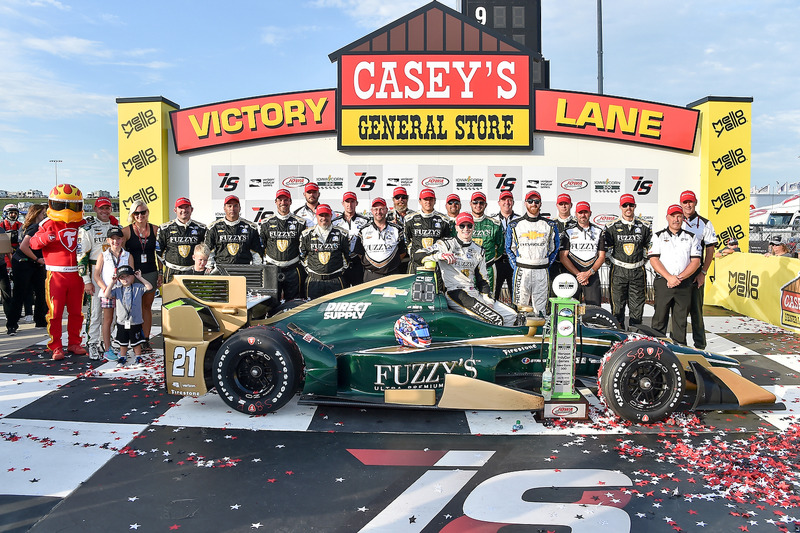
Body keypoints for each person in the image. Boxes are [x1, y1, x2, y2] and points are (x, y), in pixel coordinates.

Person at [414, 212, 519, 326]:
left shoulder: (479, 250)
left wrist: (487, 299)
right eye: (462, 226)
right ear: (456, 228)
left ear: (473, 227)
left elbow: (483, 280)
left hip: (473, 292)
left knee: (512, 315)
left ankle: (506, 341)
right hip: (455, 292)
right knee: (494, 318)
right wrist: (439, 256)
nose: (466, 229)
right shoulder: (446, 245)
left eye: (469, 225)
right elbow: (418, 255)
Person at [29, 185, 88, 360]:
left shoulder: (84, 223)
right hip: (56, 275)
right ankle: (56, 345)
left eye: (71, 205)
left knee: (77, 312)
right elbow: (33, 243)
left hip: (77, 274)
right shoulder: (47, 223)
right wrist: (45, 238)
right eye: (62, 205)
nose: (67, 210)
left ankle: (74, 343)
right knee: (55, 313)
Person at [648, 204, 702, 346]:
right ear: (667, 217)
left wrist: (679, 278)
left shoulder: (691, 237)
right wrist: (669, 277)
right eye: (673, 216)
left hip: (684, 284)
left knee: (680, 322)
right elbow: (654, 259)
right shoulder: (658, 236)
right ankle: (655, 351)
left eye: (679, 216)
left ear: (683, 218)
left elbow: (695, 262)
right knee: (659, 320)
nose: (676, 219)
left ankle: (679, 353)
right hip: (663, 282)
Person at [77, 196, 120, 360]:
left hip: (113, 273)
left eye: (107, 208)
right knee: (95, 312)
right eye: (101, 208)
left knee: (113, 312)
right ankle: (92, 343)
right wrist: (86, 281)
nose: (104, 211)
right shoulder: (87, 229)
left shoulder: (117, 227)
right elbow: (81, 256)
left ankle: (106, 342)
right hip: (95, 271)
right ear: (95, 209)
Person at [506, 190, 559, 316]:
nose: (533, 204)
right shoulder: (514, 224)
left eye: (536, 201)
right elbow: (509, 248)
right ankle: (519, 332)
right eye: (530, 201)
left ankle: (541, 333)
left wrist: (546, 264)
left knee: (540, 310)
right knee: (520, 308)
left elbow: (555, 248)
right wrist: (517, 266)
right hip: (522, 271)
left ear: (540, 204)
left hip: (542, 270)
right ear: (525, 203)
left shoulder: (550, 225)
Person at [603, 194, 652, 328]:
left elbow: (649, 249)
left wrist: (639, 262)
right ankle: (618, 341)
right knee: (617, 309)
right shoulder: (611, 227)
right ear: (620, 207)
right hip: (618, 271)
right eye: (625, 205)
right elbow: (606, 252)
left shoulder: (645, 226)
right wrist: (616, 264)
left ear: (635, 206)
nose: (628, 208)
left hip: (638, 271)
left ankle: (635, 340)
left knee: (637, 310)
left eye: (631, 205)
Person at [122, 200, 162, 352]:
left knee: (146, 307)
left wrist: (160, 272)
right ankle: (130, 338)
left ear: (147, 213)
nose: (140, 216)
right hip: (133, 275)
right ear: (132, 215)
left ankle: (144, 339)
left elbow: (159, 254)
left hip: (150, 272)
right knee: (132, 308)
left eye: (143, 212)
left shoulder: (155, 230)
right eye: (137, 213)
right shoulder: (126, 231)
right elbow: (119, 252)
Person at [680, 190, 717, 350]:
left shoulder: (705, 223)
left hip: (696, 274)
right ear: (681, 204)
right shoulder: (675, 220)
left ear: (695, 203)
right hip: (679, 273)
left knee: (696, 311)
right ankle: (679, 345)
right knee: (679, 312)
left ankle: (700, 347)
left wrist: (703, 273)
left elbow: (710, 250)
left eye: (691, 202)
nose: (688, 205)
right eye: (685, 202)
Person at [6, 204, 47, 336]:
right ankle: (12, 324)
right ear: (36, 215)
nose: (45, 216)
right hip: (24, 263)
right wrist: (37, 259)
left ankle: (40, 320)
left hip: (32, 263)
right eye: (43, 214)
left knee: (41, 291)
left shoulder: (25, 226)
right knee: (20, 293)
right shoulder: (35, 227)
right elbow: (24, 247)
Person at [93, 226, 133, 360]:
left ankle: (123, 346)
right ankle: (107, 348)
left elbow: (132, 274)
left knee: (124, 320)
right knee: (108, 320)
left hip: (123, 292)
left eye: (118, 239)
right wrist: (105, 289)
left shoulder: (127, 255)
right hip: (108, 291)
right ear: (108, 240)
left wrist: (126, 284)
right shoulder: (103, 255)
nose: (116, 241)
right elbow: (97, 275)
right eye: (113, 239)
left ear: (122, 240)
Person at [259, 188, 305, 300]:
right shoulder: (265, 223)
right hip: (272, 268)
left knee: (294, 303)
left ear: (290, 202)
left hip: (293, 269)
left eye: (286, 200)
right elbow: (262, 245)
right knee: (270, 302)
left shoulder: (300, 222)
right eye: (280, 200)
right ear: (276, 202)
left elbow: (303, 246)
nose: (283, 203)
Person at [102, 264, 153, 365]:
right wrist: (112, 282)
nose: (125, 279)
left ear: (133, 276)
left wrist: (140, 277)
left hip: (136, 321)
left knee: (136, 341)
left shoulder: (138, 287)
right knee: (123, 341)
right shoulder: (117, 289)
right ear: (118, 279)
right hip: (122, 321)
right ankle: (123, 356)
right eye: (122, 277)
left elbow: (149, 287)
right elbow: (106, 294)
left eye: (128, 276)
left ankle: (138, 356)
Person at [558, 201, 606, 306]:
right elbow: (563, 257)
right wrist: (579, 275)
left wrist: (588, 273)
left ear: (590, 213)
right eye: (580, 212)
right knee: (568, 308)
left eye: (585, 212)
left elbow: (602, 257)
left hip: (591, 275)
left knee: (594, 309)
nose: (583, 215)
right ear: (576, 214)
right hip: (572, 274)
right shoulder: (568, 231)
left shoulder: (599, 231)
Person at [299, 204, 350, 299]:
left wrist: (338, 271)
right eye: (321, 215)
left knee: (336, 310)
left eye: (326, 215)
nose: (324, 218)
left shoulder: (342, 234)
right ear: (316, 216)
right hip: (314, 281)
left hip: (335, 280)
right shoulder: (306, 235)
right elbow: (302, 256)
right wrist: (312, 272)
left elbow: (347, 257)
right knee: (312, 310)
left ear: (331, 216)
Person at [157, 197, 206, 283]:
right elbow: (158, 251)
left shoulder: (201, 228)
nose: (184, 210)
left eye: (186, 207)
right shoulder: (165, 228)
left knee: (193, 296)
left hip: (193, 271)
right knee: (171, 296)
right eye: (180, 207)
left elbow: (206, 250)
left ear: (192, 209)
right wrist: (166, 267)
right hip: (172, 272)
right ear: (175, 210)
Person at [354, 197, 405, 281]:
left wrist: (390, 264)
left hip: (392, 274)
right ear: (372, 211)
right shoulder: (364, 230)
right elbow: (359, 252)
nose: (378, 212)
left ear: (386, 210)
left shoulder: (396, 229)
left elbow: (402, 252)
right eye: (376, 209)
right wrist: (372, 264)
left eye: (381, 209)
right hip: (371, 274)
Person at [205, 195, 264, 267]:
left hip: (243, 269)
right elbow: (209, 251)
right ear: (224, 208)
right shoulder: (214, 228)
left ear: (239, 208)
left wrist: (256, 270)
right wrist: (210, 268)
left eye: (235, 206)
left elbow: (256, 253)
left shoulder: (251, 228)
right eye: (229, 206)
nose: (232, 209)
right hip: (221, 270)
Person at [405, 188, 450, 273]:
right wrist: (414, 254)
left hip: (436, 263)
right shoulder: (409, 219)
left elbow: (447, 242)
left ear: (435, 201)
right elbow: (407, 240)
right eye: (425, 199)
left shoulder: (444, 220)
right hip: (416, 263)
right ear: (420, 201)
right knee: (414, 286)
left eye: (431, 199)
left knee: (436, 286)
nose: (428, 202)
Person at [332, 191, 369, 287]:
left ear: (356, 203)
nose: (349, 204)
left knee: (360, 290)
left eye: (352, 201)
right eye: (347, 202)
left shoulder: (365, 221)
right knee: (342, 292)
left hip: (358, 261)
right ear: (342, 204)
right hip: (340, 262)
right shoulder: (335, 222)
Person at [469, 191, 504, 293]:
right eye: (475, 202)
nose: (478, 205)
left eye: (481, 203)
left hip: (488, 268)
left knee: (488, 299)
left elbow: (500, 247)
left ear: (485, 205)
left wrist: (487, 260)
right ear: (470, 204)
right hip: (468, 268)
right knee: (468, 298)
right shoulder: (463, 223)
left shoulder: (495, 224)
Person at [492, 190, 518, 301]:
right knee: (494, 294)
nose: (506, 202)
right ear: (499, 202)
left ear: (513, 202)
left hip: (515, 261)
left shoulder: (520, 220)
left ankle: (517, 317)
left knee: (516, 296)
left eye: (509, 200)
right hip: (497, 261)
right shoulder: (492, 220)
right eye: (503, 200)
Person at [386, 186, 410, 272]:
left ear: (407, 199)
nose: (400, 200)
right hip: (393, 261)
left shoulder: (415, 216)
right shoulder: (386, 217)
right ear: (393, 200)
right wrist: (389, 227)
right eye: (397, 198)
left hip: (410, 260)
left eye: (403, 197)